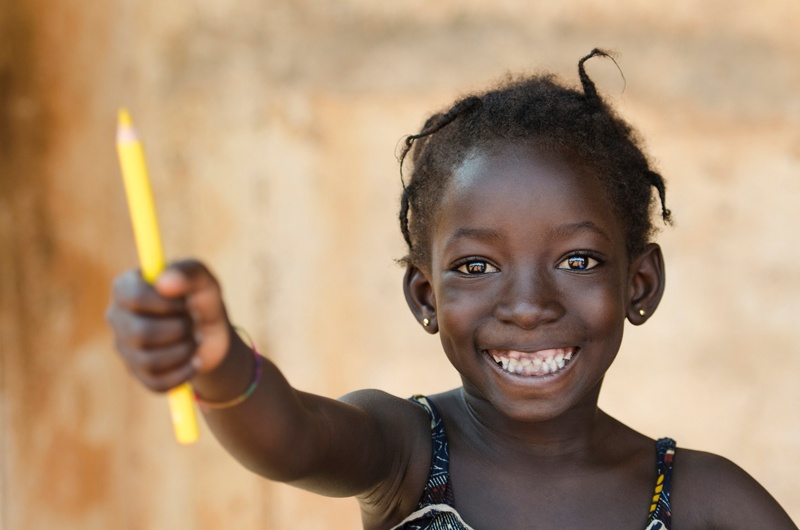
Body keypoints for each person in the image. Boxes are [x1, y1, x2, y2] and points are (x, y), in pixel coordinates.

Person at [106, 50, 797, 529]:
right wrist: (221, 365)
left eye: (579, 261)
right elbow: (295, 440)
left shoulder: (704, 500)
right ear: (425, 296)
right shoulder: (404, 452)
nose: (528, 306)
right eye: (475, 267)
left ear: (639, 284)